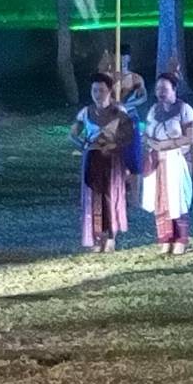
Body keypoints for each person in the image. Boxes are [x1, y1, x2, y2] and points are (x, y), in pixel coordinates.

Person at [70, 73, 133, 252]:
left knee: (110, 195)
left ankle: (111, 235)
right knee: (93, 197)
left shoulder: (119, 111)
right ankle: (96, 236)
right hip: (92, 158)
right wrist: (84, 145)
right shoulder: (86, 112)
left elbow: (129, 135)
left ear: (109, 91)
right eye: (94, 90)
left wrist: (114, 144)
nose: (98, 94)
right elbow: (72, 134)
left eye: (101, 90)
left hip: (112, 159)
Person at [142, 73, 193, 255]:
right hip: (158, 162)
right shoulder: (153, 110)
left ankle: (181, 239)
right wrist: (152, 144)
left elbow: (192, 137)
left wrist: (167, 144)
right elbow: (146, 134)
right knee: (161, 199)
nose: (161, 92)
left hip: (177, 160)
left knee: (177, 199)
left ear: (174, 89)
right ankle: (165, 238)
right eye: (158, 89)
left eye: (165, 89)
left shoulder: (185, 109)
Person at [113, 44, 147, 176]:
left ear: (129, 58)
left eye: (125, 57)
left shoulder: (136, 78)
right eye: (119, 57)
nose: (122, 60)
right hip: (112, 118)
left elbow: (143, 97)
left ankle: (133, 176)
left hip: (130, 116)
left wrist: (127, 105)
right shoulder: (109, 78)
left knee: (132, 151)